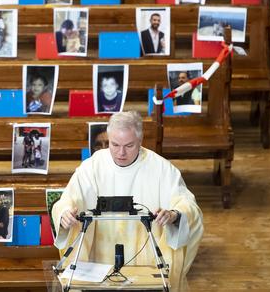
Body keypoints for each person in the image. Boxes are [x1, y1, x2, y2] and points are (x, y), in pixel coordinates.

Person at [52, 112, 203, 292]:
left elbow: (187, 205)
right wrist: (65, 215)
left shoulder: (161, 169)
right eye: (114, 145)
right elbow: (67, 201)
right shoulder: (93, 166)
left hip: (146, 264)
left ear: (140, 141)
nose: (121, 153)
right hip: (98, 262)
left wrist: (174, 216)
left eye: (129, 145)